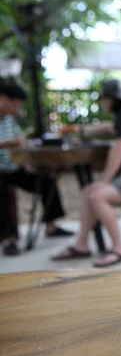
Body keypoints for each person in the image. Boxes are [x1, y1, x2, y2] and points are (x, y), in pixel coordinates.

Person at [52, 79, 121, 267]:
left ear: (111, 99)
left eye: (103, 99)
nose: (102, 103)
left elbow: (118, 149)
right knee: (88, 191)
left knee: (97, 196)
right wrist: (78, 130)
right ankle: (81, 245)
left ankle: (119, 249)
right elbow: (107, 128)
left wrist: (106, 180)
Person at [0, 82, 73, 256]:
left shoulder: (10, 120)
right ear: (3, 99)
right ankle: (8, 238)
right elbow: (12, 143)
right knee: (2, 194)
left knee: (46, 181)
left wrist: (25, 160)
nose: (17, 109)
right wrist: (7, 144)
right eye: (15, 105)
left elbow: (19, 141)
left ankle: (51, 225)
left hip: (15, 168)